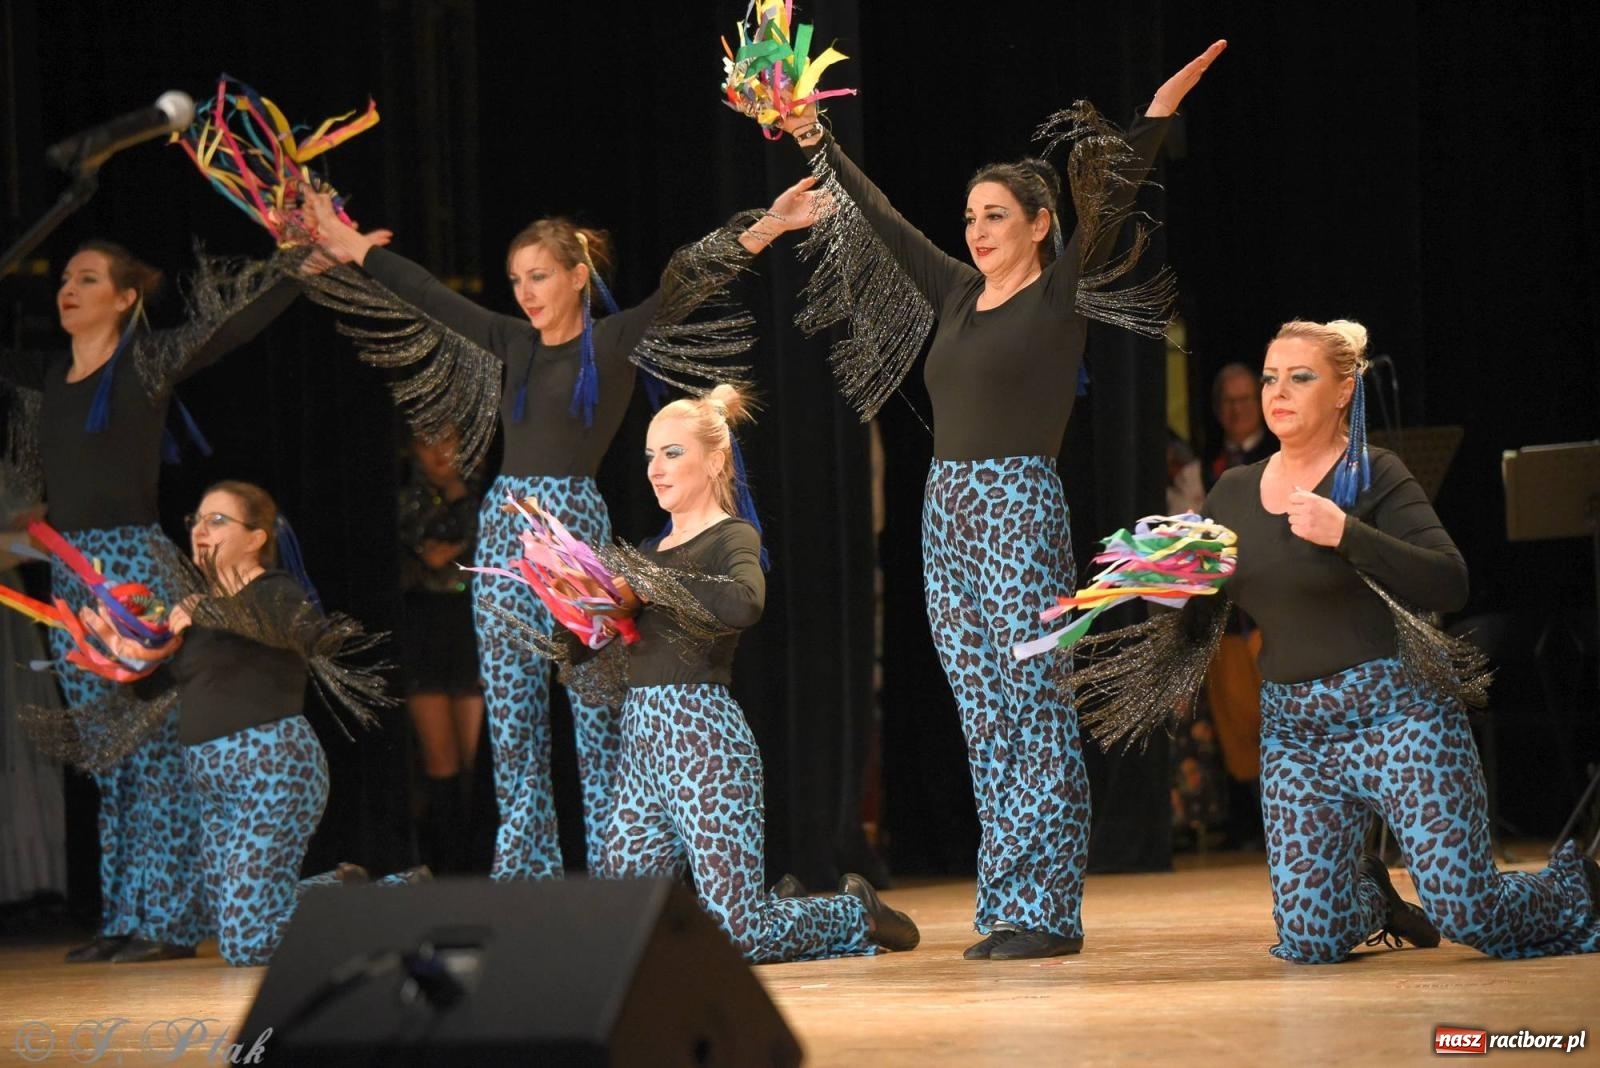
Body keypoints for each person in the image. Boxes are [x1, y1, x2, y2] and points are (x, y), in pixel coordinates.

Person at [759, 41, 1227, 959]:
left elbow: (1112, 197)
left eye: (996, 216)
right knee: (983, 716)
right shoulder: (955, 292)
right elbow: (880, 216)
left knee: (1034, 708)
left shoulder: (1058, 296)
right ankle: (1008, 905)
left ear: (1040, 225)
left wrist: (1157, 113)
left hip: (1018, 508)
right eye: (971, 216)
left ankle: (1047, 912)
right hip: (946, 512)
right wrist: (816, 139)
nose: (977, 230)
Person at [306, 181, 811, 882]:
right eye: (516, 280)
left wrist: (765, 228)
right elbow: (429, 295)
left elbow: (683, 284)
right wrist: (353, 246)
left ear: (577, 276)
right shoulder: (515, 342)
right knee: (512, 724)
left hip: (573, 533)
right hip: (506, 533)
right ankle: (526, 876)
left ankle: (617, 877)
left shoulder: (610, 341)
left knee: (593, 717)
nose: (526, 293)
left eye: (539, 276)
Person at [1085, 319, 1600, 962]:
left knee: (1467, 910)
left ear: (1343, 391)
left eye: (1300, 378)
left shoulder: (1376, 473)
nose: (1278, 392)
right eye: (1270, 378)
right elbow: (1201, 614)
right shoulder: (1233, 493)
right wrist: (1165, 583)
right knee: (1311, 939)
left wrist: (1347, 533)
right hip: (1297, 732)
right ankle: (1376, 900)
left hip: (1400, 715)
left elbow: (1450, 582)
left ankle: (1573, 887)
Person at [2, 240, 302, 963]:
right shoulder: (47, 375)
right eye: (65, 278)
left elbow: (226, 327)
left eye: (88, 279)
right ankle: (122, 915)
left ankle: (166, 922)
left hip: (133, 571)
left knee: (155, 751)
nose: (68, 288)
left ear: (125, 297)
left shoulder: (141, 362)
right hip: (72, 581)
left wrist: (300, 266)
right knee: (107, 755)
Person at [552, 385, 918, 962]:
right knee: (621, 929)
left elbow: (746, 603)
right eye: (649, 456)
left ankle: (853, 912)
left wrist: (650, 584)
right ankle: (774, 906)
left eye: (672, 452)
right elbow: (583, 656)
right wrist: (579, 611)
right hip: (643, 753)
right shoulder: (647, 551)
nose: (654, 469)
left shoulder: (731, 536)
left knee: (739, 937)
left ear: (714, 460)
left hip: (706, 748)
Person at [80, 480, 423, 966]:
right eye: (196, 520)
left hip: (272, 772)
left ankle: (394, 895)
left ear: (257, 537)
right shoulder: (198, 613)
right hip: (214, 787)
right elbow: (158, 687)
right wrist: (123, 656)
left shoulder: (274, 592)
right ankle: (345, 890)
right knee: (238, 927)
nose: (200, 530)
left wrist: (208, 609)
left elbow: (303, 631)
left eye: (217, 520)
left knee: (246, 941)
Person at [397, 431, 487, 873]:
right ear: (413, 448)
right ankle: (448, 867)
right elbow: (425, 556)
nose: (440, 452)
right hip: (425, 633)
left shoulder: (482, 499)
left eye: (449, 439)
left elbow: (472, 557)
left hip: (471, 631)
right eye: (427, 441)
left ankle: (482, 862)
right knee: (439, 760)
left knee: (478, 756)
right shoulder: (406, 500)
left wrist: (458, 496)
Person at [1206, 361, 1276, 487]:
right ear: (1216, 406)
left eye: (1245, 399)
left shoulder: (1280, 455)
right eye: (1228, 400)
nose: (1237, 409)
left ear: (1260, 403)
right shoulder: (1204, 461)